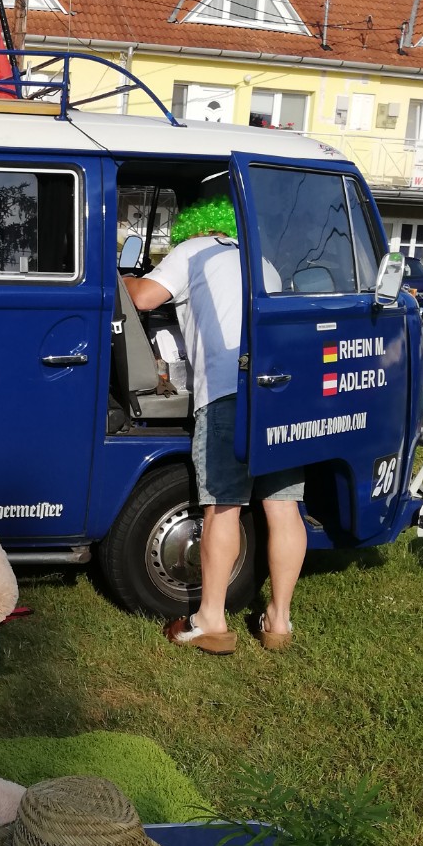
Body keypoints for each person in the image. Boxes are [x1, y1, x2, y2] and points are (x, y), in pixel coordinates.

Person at [123, 193, 306, 654]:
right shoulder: (263, 263)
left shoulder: (193, 251)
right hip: (279, 394)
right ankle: (279, 621)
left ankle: (210, 620)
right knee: (284, 507)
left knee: (223, 506)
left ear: (194, 226)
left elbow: (144, 299)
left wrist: (123, 277)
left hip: (228, 390)